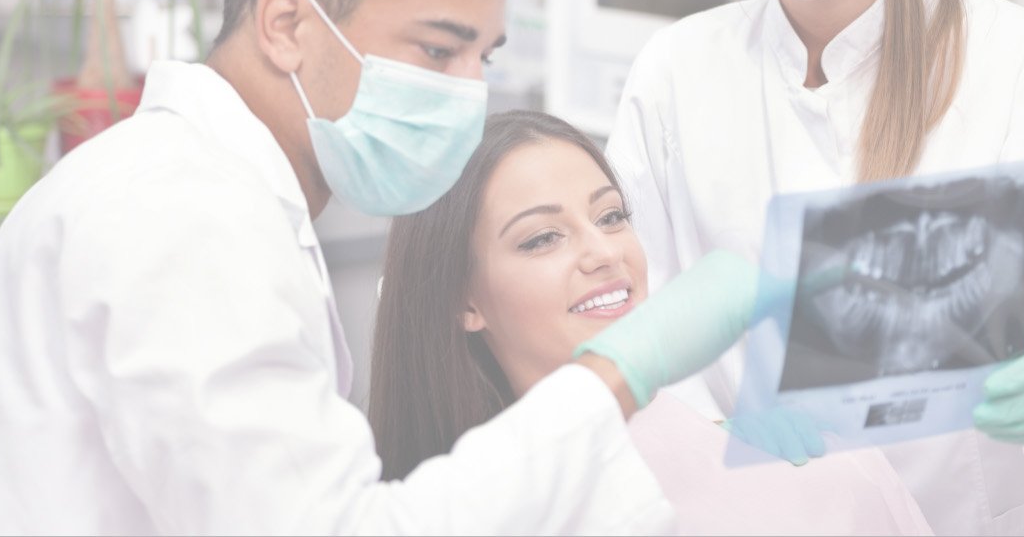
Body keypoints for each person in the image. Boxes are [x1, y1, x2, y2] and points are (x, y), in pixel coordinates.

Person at [0, 0, 758, 534]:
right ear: (287, 26)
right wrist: (615, 371)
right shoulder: (179, 218)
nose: (469, 94)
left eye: (482, 57)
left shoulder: (187, 190)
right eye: (438, 52)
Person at [604, 0, 1024, 534]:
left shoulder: (1018, 58)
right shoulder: (676, 70)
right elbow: (627, 322)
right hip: (765, 515)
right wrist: (702, 433)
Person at [368, 109, 934, 536]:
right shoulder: (471, 504)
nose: (604, 252)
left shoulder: (805, 471)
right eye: (542, 238)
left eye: (611, 215)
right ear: (463, 302)